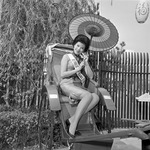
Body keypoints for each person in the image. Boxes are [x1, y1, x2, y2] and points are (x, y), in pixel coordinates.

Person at [60, 34, 99, 138]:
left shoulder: (82, 60)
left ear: (84, 50)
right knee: (88, 95)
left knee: (96, 97)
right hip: (66, 84)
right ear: (74, 45)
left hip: (77, 86)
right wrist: (77, 69)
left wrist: (85, 63)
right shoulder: (66, 57)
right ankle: (73, 126)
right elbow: (62, 74)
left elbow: (90, 76)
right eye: (77, 46)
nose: (79, 49)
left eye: (82, 48)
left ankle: (72, 119)